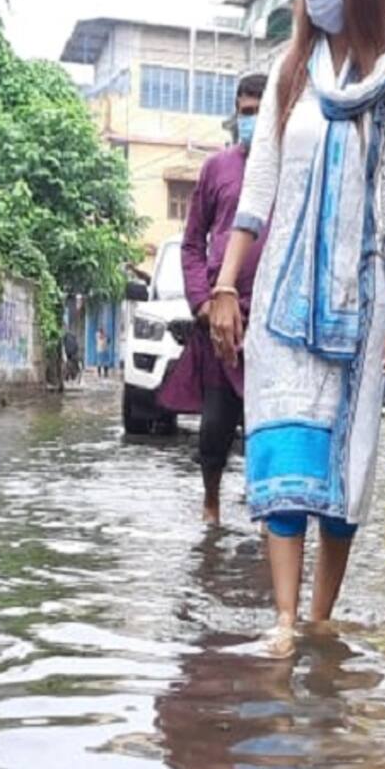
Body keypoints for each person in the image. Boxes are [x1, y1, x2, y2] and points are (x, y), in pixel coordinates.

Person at [208, 0, 385, 655]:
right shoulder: (288, 75)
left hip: (359, 305)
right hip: (280, 302)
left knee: (347, 465)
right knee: (282, 453)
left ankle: (321, 614)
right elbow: (258, 191)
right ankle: (281, 619)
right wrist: (228, 284)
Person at [157, 72, 268, 525]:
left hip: (271, 323)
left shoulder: (294, 170)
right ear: (234, 117)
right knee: (216, 424)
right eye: (246, 113)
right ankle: (211, 508)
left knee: (268, 429)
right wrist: (202, 303)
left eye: (263, 111)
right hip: (220, 323)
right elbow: (191, 243)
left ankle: (268, 517)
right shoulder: (217, 169)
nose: (254, 120)